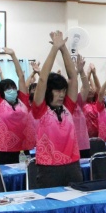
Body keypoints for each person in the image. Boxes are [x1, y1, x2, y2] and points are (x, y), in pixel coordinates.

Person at [31, 31, 83, 187]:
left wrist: (63, 48)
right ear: (49, 91)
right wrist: (54, 48)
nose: (61, 94)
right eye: (57, 90)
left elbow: (73, 77)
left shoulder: (68, 107)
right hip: (49, 169)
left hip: (73, 166)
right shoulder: (40, 109)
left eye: (63, 91)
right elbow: (42, 79)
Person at [0, 44, 35, 164]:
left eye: (13, 87)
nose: (11, 90)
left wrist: (13, 55)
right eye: (7, 88)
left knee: (24, 174)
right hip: (4, 149)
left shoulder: (23, 100)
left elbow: (21, 76)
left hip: (23, 148)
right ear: (2, 92)